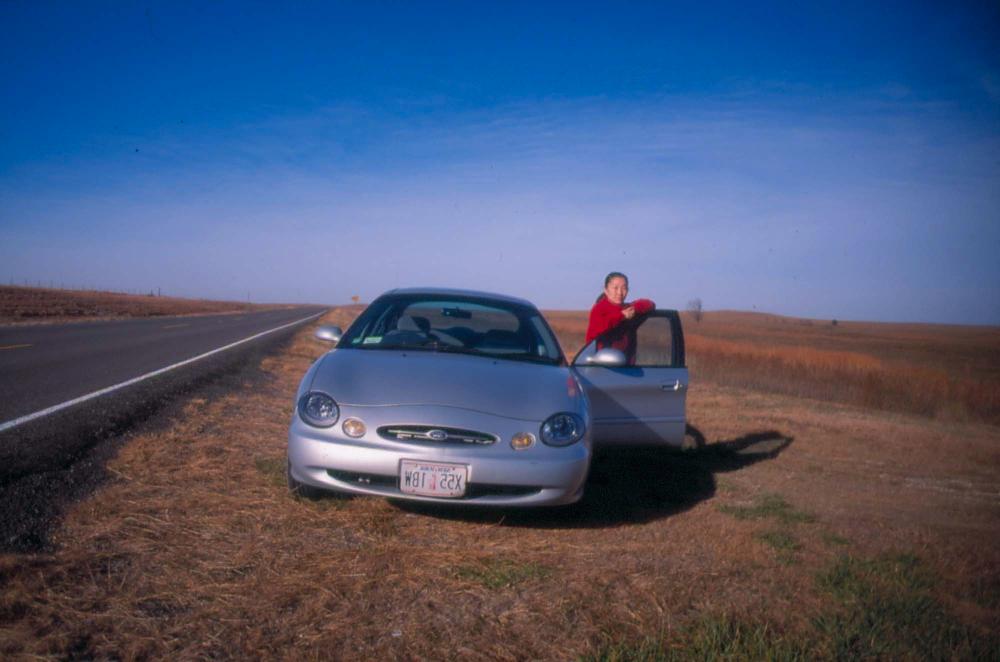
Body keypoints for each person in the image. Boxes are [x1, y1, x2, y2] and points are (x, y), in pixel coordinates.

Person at [585, 272, 655, 364]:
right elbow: (601, 327)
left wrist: (634, 309)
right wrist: (622, 316)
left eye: (624, 288)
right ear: (605, 290)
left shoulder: (627, 309)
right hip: (603, 366)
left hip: (627, 366)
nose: (620, 292)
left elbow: (649, 304)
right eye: (615, 288)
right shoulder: (599, 309)